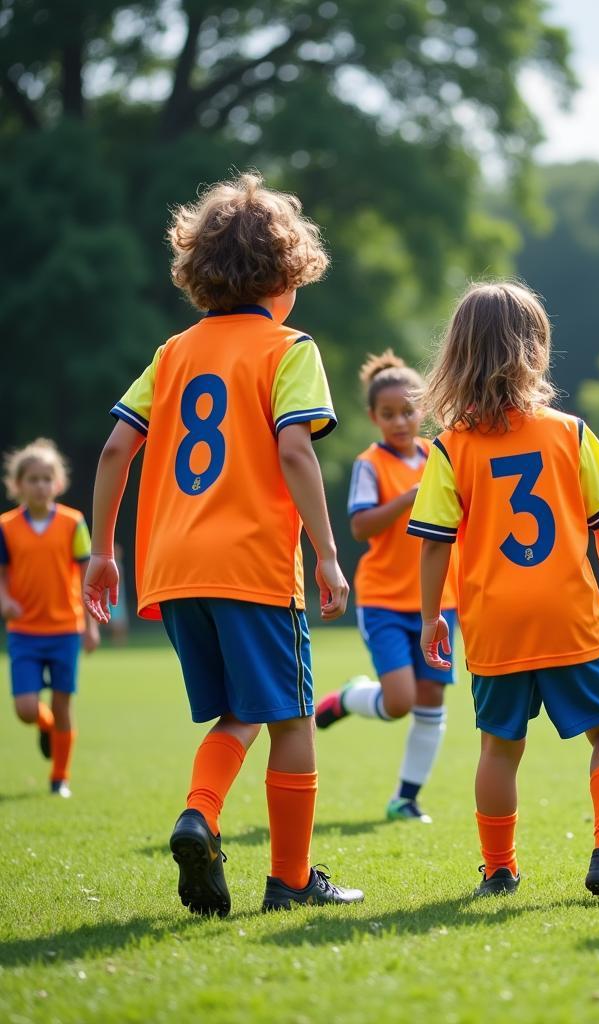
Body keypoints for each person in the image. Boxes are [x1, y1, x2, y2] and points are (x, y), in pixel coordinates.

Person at [84, 172, 364, 915]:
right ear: (285, 273)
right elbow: (297, 451)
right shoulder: (288, 347)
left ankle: (199, 813)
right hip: (252, 566)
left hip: (171, 569)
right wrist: (328, 553)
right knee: (292, 716)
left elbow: (116, 450)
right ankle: (293, 881)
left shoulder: (172, 352)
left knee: (239, 710)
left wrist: (104, 550)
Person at [409, 281, 599, 902]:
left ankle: (498, 870)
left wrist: (431, 616)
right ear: (535, 349)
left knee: (499, 748)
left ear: (457, 356)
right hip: (568, 611)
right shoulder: (568, 432)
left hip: (493, 621)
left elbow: (434, 541)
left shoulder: (450, 446)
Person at [315, 351, 459, 824]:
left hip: (438, 602)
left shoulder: (441, 456)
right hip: (383, 601)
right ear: (373, 417)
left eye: (408, 411)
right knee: (399, 702)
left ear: (425, 409)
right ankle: (352, 696)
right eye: (388, 414)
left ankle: (406, 798)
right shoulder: (369, 464)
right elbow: (360, 527)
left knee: (432, 699)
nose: (400, 421)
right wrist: (408, 498)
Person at [1, 439, 100, 798]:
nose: (40, 485)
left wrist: (90, 626)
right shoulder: (6, 526)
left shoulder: (73, 523)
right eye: (33, 479)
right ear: (18, 485)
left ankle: (60, 778)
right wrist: (5, 599)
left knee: (63, 703)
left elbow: (87, 575)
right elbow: (2, 574)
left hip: (65, 629)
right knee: (26, 709)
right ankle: (44, 726)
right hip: (24, 631)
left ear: (57, 483)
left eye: (47, 478)